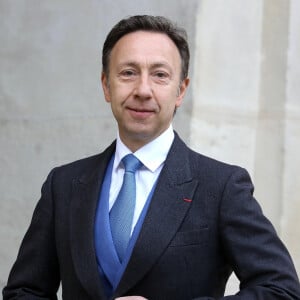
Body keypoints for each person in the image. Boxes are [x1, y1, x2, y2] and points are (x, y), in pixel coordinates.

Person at [3, 15, 300, 300]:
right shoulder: (63, 185)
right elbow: (23, 292)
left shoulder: (221, 187)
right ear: (107, 85)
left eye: (160, 75)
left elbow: (281, 289)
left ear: (181, 90)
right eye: (128, 73)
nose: (143, 90)